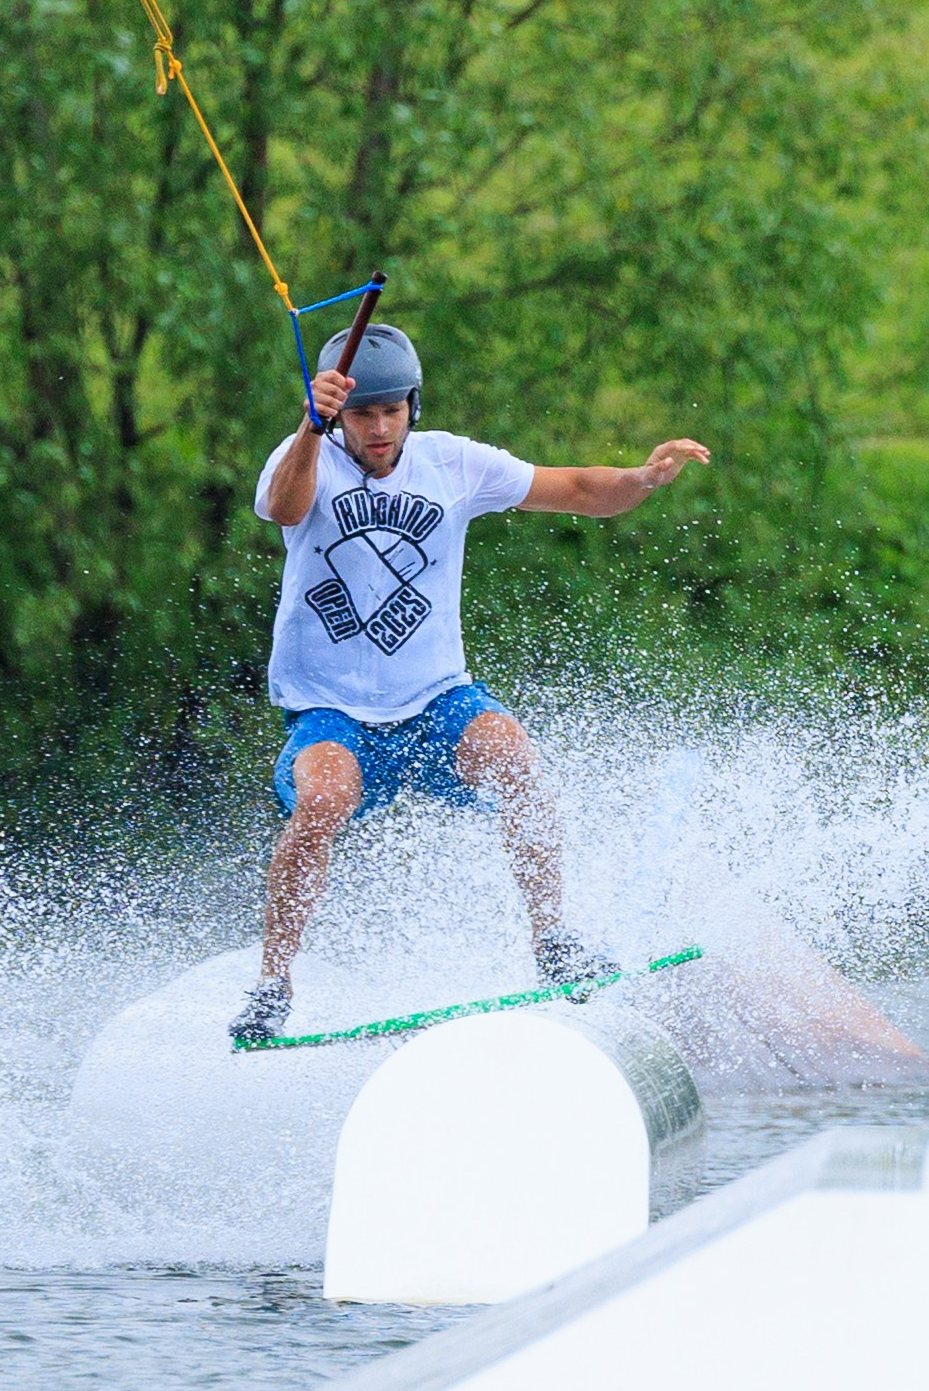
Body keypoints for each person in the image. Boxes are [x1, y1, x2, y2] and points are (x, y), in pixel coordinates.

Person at [229, 324, 711, 1049]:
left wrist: (641, 479)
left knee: (512, 752)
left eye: (393, 410)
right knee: (322, 799)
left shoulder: (452, 463)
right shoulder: (305, 459)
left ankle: (552, 939)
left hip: (434, 700)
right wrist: (308, 426)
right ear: (338, 414)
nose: (380, 427)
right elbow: (286, 507)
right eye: (363, 413)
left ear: (412, 408)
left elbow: (578, 488)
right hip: (331, 709)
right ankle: (272, 985)